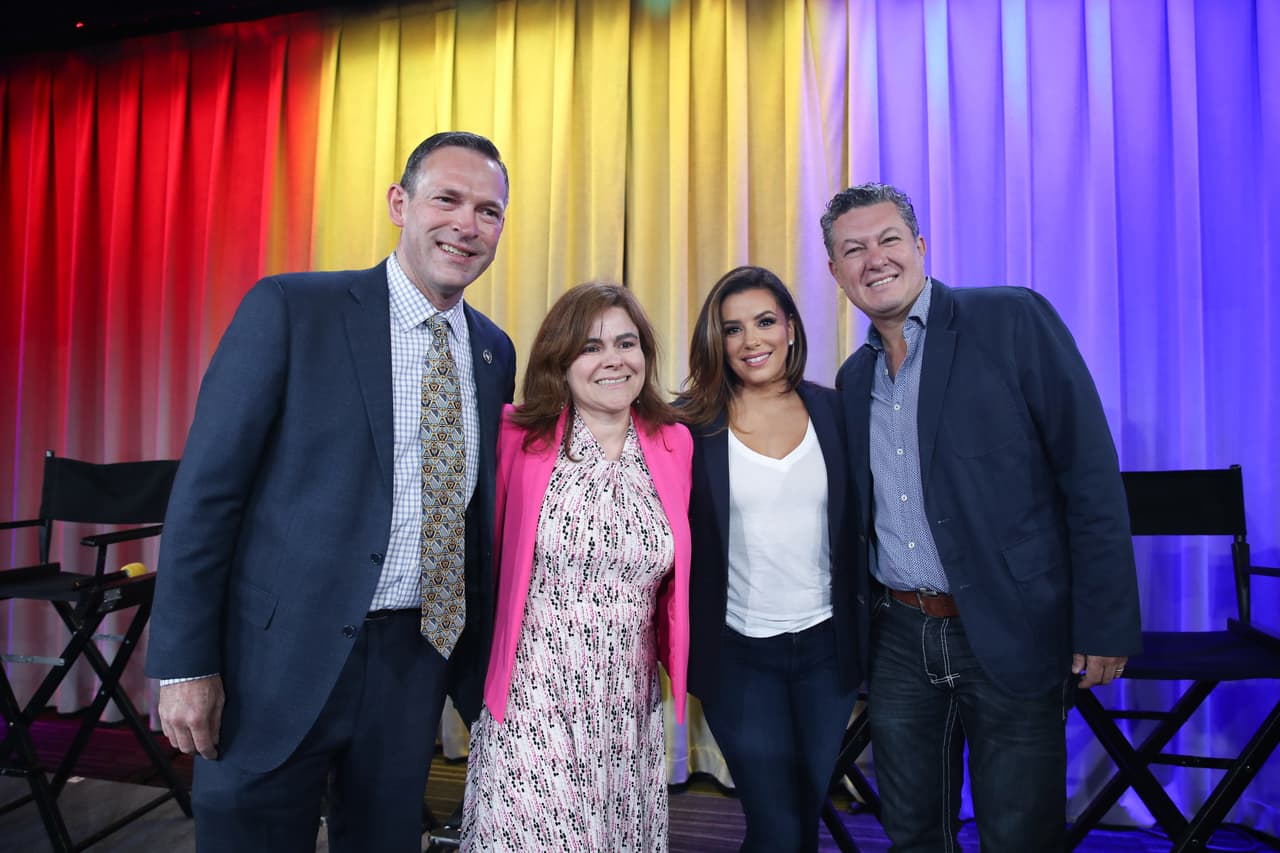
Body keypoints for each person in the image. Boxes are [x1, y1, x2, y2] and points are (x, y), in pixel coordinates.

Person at [146, 131, 517, 852]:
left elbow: (475, 522)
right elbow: (205, 496)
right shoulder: (292, 307)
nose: (467, 225)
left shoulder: (493, 349)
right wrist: (185, 664)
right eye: (448, 199)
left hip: (414, 661)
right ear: (399, 203)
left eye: (489, 211)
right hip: (275, 663)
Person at [823, 182, 1141, 851]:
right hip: (900, 639)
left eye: (887, 240)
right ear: (835, 272)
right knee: (912, 833)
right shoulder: (854, 381)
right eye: (853, 249)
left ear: (920, 246)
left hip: (1008, 627)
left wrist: (1105, 622)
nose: (873, 259)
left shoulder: (1013, 320)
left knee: (1019, 834)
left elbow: (1088, 475)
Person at [460, 282, 693, 852]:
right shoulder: (515, 435)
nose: (613, 359)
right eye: (591, 346)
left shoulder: (674, 443)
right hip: (532, 693)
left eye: (626, 343)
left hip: (626, 703)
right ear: (560, 362)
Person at [676, 265, 866, 851]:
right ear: (717, 341)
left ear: (789, 326)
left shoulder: (838, 413)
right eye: (732, 330)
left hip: (826, 651)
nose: (751, 341)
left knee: (799, 819)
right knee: (778, 823)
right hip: (737, 656)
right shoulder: (691, 426)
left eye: (763, 322)